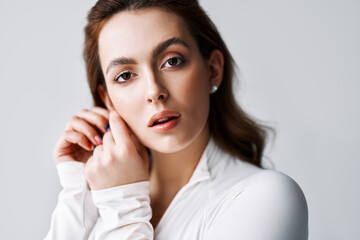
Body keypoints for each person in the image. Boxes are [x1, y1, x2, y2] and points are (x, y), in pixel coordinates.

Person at [45, 0, 309, 239]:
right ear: (108, 100)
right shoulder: (101, 196)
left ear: (213, 70)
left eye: (172, 61)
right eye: (125, 75)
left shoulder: (267, 198)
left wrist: (122, 202)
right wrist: (77, 190)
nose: (154, 91)